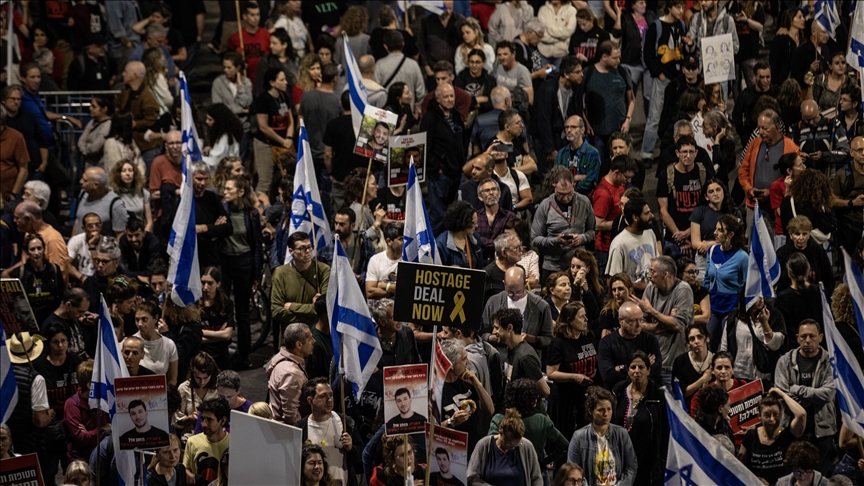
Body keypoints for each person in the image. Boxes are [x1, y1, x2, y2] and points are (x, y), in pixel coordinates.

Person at [775, 319, 838, 473]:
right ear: (797, 338)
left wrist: (796, 389)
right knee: (795, 473)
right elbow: (782, 395)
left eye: (812, 336)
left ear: (821, 337)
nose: (807, 340)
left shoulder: (831, 362)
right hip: (793, 428)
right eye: (803, 337)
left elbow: (828, 394)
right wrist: (814, 395)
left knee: (819, 474)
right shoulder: (785, 361)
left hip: (822, 429)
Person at [629, 256, 693, 386]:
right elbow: (640, 325)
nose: (649, 276)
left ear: (665, 274)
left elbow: (678, 326)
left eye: (653, 271)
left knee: (671, 404)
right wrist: (663, 325)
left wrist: (651, 311)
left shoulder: (683, 290)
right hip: (652, 363)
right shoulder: (650, 288)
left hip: (673, 364)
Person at [220, 176, 263, 367]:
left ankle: (244, 355)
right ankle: (222, 353)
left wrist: (256, 274)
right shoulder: (222, 210)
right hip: (225, 264)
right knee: (221, 308)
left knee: (243, 312)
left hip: (244, 264)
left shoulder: (251, 214)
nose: (225, 192)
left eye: (229, 189)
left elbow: (257, 246)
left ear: (240, 192)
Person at [612, 351, 668, 486]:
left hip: (647, 460)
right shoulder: (618, 391)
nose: (637, 371)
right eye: (633, 367)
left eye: (641, 367)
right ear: (628, 370)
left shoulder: (658, 396)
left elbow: (664, 432)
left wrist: (661, 462)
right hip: (620, 456)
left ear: (648, 371)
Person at [738, 109, 799, 234]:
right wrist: (749, 189)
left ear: (776, 127)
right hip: (753, 205)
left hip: (778, 207)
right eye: (759, 128)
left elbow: (796, 178)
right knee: (753, 247)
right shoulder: (755, 144)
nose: (760, 132)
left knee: (777, 245)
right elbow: (743, 170)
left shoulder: (791, 147)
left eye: (764, 128)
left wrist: (772, 192)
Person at [531, 167, 596, 280]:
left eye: (569, 194)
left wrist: (582, 238)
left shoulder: (584, 202)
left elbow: (592, 232)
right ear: (554, 186)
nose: (566, 198)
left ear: (574, 185)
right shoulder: (545, 205)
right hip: (553, 266)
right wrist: (556, 240)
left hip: (578, 265)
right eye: (561, 194)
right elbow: (534, 239)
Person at [296, 378, 361, 485]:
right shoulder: (300, 428)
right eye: (323, 396)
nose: (329, 400)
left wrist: (351, 448)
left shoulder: (346, 423)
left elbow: (361, 456)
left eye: (331, 395)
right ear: (310, 400)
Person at [421, 83, 467, 235]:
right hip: (439, 175)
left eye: (452, 96)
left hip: (456, 173)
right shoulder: (430, 118)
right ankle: (433, 249)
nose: (449, 99)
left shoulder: (455, 114)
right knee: (438, 215)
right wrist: (436, 167)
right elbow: (424, 146)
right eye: (446, 97)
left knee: (452, 214)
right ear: (438, 99)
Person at [567, 386, 637, 485]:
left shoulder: (622, 434)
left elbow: (631, 467)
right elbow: (573, 470)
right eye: (601, 410)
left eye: (609, 409)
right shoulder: (579, 437)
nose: (606, 414)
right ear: (590, 411)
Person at [547, 301, 598, 435]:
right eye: (582, 317)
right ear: (569, 320)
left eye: (586, 316)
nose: (586, 320)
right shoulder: (559, 343)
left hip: (586, 396)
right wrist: (574, 377)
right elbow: (551, 373)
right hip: (565, 400)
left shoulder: (589, 336)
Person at [438, 338, 495, 456]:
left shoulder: (467, 380)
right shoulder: (436, 390)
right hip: (452, 452)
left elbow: (490, 409)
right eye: (464, 359)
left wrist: (478, 384)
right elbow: (430, 429)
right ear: (451, 364)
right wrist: (451, 422)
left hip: (475, 448)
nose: (468, 362)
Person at [737, 388, 807, 485]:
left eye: (776, 415)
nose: (772, 419)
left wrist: (783, 395)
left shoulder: (786, 435)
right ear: (759, 416)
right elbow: (739, 466)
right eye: (767, 415)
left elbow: (801, 414)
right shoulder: (751, 436)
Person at [703, 214, 748, 349]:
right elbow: (706, 279)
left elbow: (746, 285)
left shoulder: (742, 257)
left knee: (728, 346)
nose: (715, 233)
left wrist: (739, 310)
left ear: (731, 234)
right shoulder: (712, 251)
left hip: (731, 307)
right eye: (716, 229)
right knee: (708, 343)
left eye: (720, 230)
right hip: (713, 306)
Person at [582, 40, 634, 156]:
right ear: (604, 57)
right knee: (599, 164)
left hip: (619, 131)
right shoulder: (588, 73)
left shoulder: (622, 72)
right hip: (596, 132)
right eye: (615, 58)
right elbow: (578, 101)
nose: (618, 61)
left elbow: (631, 100)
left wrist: (628, 120)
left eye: (619, 57)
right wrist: (586, 123)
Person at [468, 408, 543, 486]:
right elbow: (471, 478)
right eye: (508, 443)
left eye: (516, 444)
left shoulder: (527, 446)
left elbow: (537, 479)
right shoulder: (484, 445)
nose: (512, 448)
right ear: (501, 431)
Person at [271, 232, 330, 330]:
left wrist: (291, 306)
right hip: (291, 335)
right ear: (291, 251)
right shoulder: (280, 274)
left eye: (309, 247)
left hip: (315, 334)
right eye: (302, 248)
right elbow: (276, 311)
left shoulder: (323, 270)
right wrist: (311, 311)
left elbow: (324, 309)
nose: (307, 251)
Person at [719, 296, 786, 382]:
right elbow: (725, 346)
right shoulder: (735, 316)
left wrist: (765, 323)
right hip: (739, 372)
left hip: (764, 375)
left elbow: (776, 345)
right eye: (757, 296)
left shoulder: (774, 315)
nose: (761, 300)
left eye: (763, 296)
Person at [1, 234, 63, 325]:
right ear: (27, 252)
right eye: (32, 249)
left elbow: (61, 294)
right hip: (30, 322)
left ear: (44, 249)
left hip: (51, 321)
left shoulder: (54, 270)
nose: (36, 253)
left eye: (39, 248)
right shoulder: (19, 273)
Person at [597, 301, 663, 385]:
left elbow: (656, 371)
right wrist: (643, 366)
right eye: (633, 321)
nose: (639, 325)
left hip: (646, 392)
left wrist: (620, 368)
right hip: (617, 393)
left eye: (640, 320)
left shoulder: (650, 340)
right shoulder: (606, 342)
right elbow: (608, 376)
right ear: (621, 321)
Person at [536, 57, 585, 167]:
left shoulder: (577, 87)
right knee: (548, 175)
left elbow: (577, 112)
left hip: (563, 137)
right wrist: (550, 149)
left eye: (581, 71)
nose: (581, 74)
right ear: (566, 74)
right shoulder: (548, 90)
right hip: (545, 139)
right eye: (577, 72)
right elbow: (543, 121)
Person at [254, 67, 295, 196]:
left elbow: (290, 120)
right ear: (272, 83)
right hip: (266, 145)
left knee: (283, 179)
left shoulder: (284, 96)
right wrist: (283, 141)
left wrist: (289, 137)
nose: (286, 82)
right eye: (282, 80)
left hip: (284, 144)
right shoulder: (263, 100)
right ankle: (258, 213)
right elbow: (263, 127)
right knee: (265, 181)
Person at [592, 156, 637, 270]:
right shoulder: (603, 194)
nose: (628, 181)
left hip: (620, 245)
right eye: (627, 177)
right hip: (607, 249)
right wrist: (623, 223)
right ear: (616, 173)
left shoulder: (619, 185)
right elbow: (597, 224)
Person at [114, 61, 161, 168]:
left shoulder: (147, 98)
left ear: (134, 75)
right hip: (131, 143)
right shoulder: (126, 91)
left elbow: (152, 119)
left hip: (146, 146)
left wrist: (135, 124)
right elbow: (117, 104)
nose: (123, 74)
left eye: (126, 71)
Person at [605, 196, 657, 290]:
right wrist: (641, 287)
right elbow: (611, 280)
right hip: (633, 298)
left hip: (652, 295)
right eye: (646, 213)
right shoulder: (619, 243)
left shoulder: (650, 233)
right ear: (635, 217)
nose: (651, 216)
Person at [267, 323, 315, 424]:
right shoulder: (292, 374)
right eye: (310, 339)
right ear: (299, 345)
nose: (313, 341)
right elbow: (290, 414)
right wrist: (303, 432)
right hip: (287, 434)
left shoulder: (277, 358)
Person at [776, 216, 835, 297]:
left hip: (814, 297)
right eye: (797, 234)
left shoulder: (818, 251)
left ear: (809, 234)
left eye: (804, 234)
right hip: (790, 298)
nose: (801, 238)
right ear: (790, 235)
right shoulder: (782, 253)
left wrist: (825, 296)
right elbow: (778, 281)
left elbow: (828, 277)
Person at [779, 169, 836, 247]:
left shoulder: (786, 201)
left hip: (791, 247)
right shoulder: (814, 206)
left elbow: (785, 226)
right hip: (810, 249)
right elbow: (826, 228)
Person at [789, 99, 850, 171]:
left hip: (828, 175)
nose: (811, 122)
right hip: (804, 176)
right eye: (807, 119)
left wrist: (824, 155)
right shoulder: (795, 129)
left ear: (819, 110)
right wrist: (798, 155)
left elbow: (845, 151)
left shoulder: (833, 125)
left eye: (814, 118)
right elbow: (787, 155)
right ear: (802, 114)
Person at [64, 359, 105, 463]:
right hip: (80, 461)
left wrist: (90, 432)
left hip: (101, 458)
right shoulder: (72, 405)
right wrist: (102, 430)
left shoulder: (103, 401)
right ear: (90, 385)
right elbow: (81, 438)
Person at [183, 397, 230, 484]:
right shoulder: (192, 441)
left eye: (209, 420)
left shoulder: (232, 444)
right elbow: (186, 468)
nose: (204, 424)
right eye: (202, 419)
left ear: (222, 421)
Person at [174, 352, 220, 442]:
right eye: (198, 378)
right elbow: (176, 421)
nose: (202, 382)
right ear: (192, 373)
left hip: (214, 439)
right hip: (190, 439)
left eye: (205, 378)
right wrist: (190, 418)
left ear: (211, 374)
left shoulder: (217, 389)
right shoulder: (184, 389)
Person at [374, 30, 426, 107]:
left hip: (388, 114)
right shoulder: (413, 64)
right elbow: (421, 92)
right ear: (403, 44)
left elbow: (376, 90)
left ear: (385, 46)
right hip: (408, 112)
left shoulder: (379, 65)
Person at [197, 267, 234, 372]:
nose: (205, 287)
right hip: (201, 357)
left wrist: (202, 332)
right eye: (203, 283)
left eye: (210, 283)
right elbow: (195, 338)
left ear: (218, 284)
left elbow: (227, 335)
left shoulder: (227, 304)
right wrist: (218, 335)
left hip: (221, 357)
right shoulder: (195, 304)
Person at [74, 167, 129, 239]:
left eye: (85, 180)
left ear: (95, 185)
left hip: (101, 249)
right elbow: (78, 220)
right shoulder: (83, 193)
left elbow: (120, 236)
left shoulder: (116, 205)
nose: (80, 181)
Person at [133, 300, 179, 385]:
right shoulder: (129, 343)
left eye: (144, 319)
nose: (139, 324)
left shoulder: (169, 344)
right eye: (137, 320)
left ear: (155, 318)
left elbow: (172, 379)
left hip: (160, 395)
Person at [553, 115, 601, 196]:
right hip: (564, 196)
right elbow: (555, 177)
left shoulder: (592, 153)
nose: (568, 130)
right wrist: (578, 177)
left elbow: (590, 181)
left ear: (582, 130)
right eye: (566, 127)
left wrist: (570, 184)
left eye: (573, 127)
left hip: (585, 196)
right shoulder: (561, 153)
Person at [227, 1, 270, 86]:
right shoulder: (236, 37)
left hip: (264, 80)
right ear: (245, 16)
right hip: (245, 80)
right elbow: (229, 59)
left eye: (258, 15)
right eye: (252, 15)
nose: (256, 18)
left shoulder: (267, 35)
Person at [770, 153, 806, 248]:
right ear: (789, 171)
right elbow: (780, 212)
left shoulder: (805, 183)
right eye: (800, 165)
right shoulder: (776, 186)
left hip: (803, 233)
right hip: (784, 233)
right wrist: (788, 190)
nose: (804, 167)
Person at [436, 201, 483, 269]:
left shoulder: (475, 237)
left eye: (476, 222)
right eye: (473, 223)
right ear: (462, 222)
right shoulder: (441, 244)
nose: (476, 226)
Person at [110, 160, 153, 232]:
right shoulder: (113, 194)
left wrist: (144, 235)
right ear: (118, 174)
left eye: (130, 170)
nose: (128, 174)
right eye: (124, 171)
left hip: (141, 233)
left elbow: (149, 222)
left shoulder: (143, 193)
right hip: (121, 233)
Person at [211, 51, 254, 123]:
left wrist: (240, 85)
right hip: (226, 125)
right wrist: (240, 110)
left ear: (238, 68)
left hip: (243, 125)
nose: (225, 70)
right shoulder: (218, 82)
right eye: (224, 67)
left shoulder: (246, 82)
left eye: (229, 68)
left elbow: (246, 103)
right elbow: (218, 107)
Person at [254, 28, 298, 96]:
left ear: (284, 45)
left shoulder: (295, 59)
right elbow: (259, 86)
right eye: (270, 43)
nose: (270, 46)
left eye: (274, 43)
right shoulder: (266, 61)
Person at [202, 104, 243, 172]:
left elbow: (214, 162)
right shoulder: (228, 135)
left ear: (219, 121)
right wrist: (209, 149)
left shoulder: (224, 138)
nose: (207, 122)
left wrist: (197, 157)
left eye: (210, 119)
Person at [677, 257, 710, 326]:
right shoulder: (674, 291)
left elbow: (705, 318)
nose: (695, 275)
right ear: (680, 274)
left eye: (696, 272)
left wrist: (682, 319)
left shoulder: (701, 290)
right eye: (690, 272)